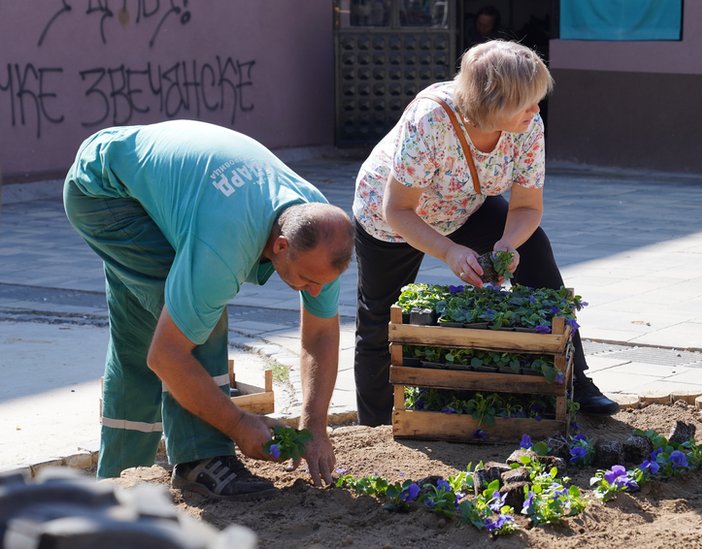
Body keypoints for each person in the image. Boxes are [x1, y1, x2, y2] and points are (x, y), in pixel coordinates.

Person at [63, 120, 355, 499]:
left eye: (323, 282)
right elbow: (168, 356)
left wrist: (315, 424)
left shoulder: (316, 225)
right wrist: (237, 424)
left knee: (141, 337)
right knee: (196, 320)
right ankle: (201, 460)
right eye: (307, 279)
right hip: (104, 193)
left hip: (134, 175)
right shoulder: (225, 245)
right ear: (280, 246)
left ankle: (117, 477)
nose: (316, 289)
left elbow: (319, 333)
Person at [352, 40, 619, 427]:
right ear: (494, 101)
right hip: (392, 215)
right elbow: (398, 209)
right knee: (379, 318)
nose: (536, 110)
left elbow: (527, 207)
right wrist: (449, 252)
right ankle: (376, 425)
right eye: (527, 102)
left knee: (536, 250)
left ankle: (576, 379)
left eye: (537, 100)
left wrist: (507, 245)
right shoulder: (431, 120)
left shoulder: (529, 127)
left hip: (462, 204)